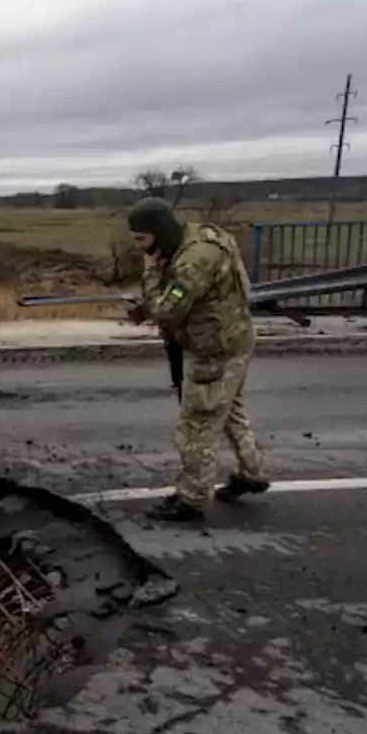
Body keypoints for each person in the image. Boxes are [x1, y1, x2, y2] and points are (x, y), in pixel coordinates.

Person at [125, 197, 270, 521]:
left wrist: (149, 276)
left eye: (142, 240)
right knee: (229, 410)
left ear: (159, 232)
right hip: (236, 337)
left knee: (197, 424)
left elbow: (167, 310)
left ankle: (191, 498)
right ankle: (253, 472)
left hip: (215, 350)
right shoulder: (204, 235)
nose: (140, 248)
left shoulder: (193, 260)